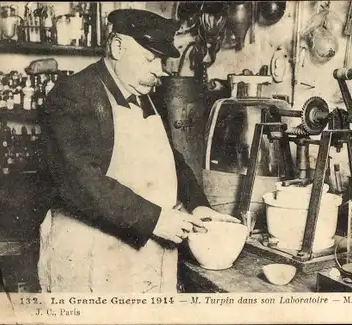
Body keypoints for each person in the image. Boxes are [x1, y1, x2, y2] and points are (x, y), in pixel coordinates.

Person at [37, 9, 238, 293]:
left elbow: (171, 158)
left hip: (145, 256)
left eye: (162, 60)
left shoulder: (147, 95)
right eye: (150, 58)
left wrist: (198, 204)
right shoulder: (74, 94)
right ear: (118, 47)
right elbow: (79, 180)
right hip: (92, 257)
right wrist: (155, 219)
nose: (159, 70)